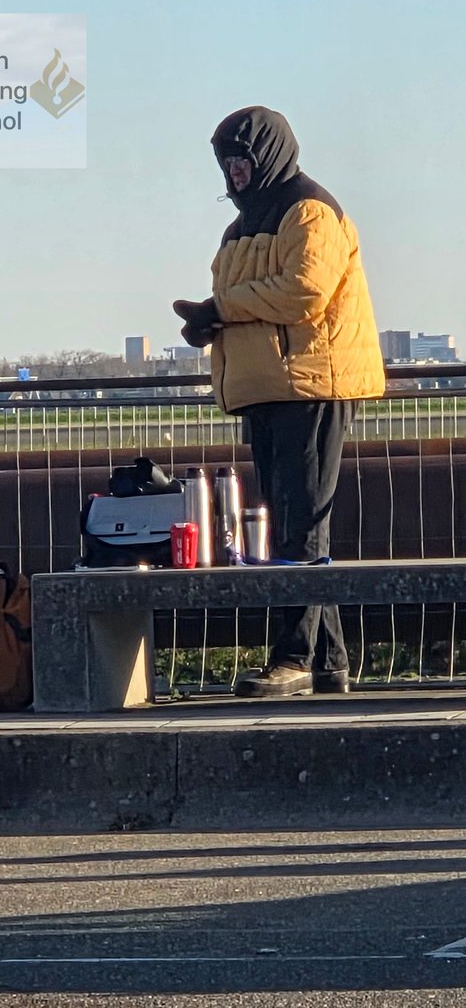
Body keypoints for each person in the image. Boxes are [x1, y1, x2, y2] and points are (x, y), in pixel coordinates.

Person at [173, 105, 385, 698]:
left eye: (242, 160)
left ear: (267, 155)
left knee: (303, 526)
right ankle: (329, 662)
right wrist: (208, 323)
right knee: (296, 526)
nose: (234, 173)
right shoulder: (240, 227)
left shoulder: (310, 210)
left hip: (314, 383)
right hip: (266, 389)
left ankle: (291, 661)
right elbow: (244, 299)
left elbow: (304, 293)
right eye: (226, 163)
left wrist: (222, 310)